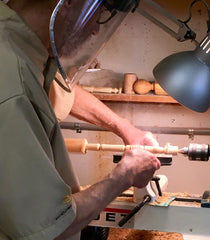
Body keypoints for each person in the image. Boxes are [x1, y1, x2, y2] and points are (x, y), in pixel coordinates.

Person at [0, 1, 161, 240]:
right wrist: (124, 175)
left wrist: (125, 128)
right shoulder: (13, 85)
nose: (96, 28)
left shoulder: (15, 40)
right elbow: (51, 228)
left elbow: (56, 88)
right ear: (70, 3)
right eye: (100, 13)